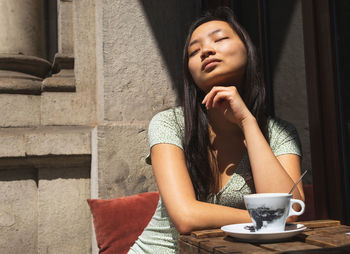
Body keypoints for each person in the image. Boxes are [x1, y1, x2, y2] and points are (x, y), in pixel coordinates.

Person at [128, 7, 304, 254]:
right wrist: (268, 220)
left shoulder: (280, 133)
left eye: (220, 39)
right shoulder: (170, 123)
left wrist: (247, 122)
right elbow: (186, 216)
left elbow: (291, 210)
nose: (206, 51)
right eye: (194, 51)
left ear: (248, 50)